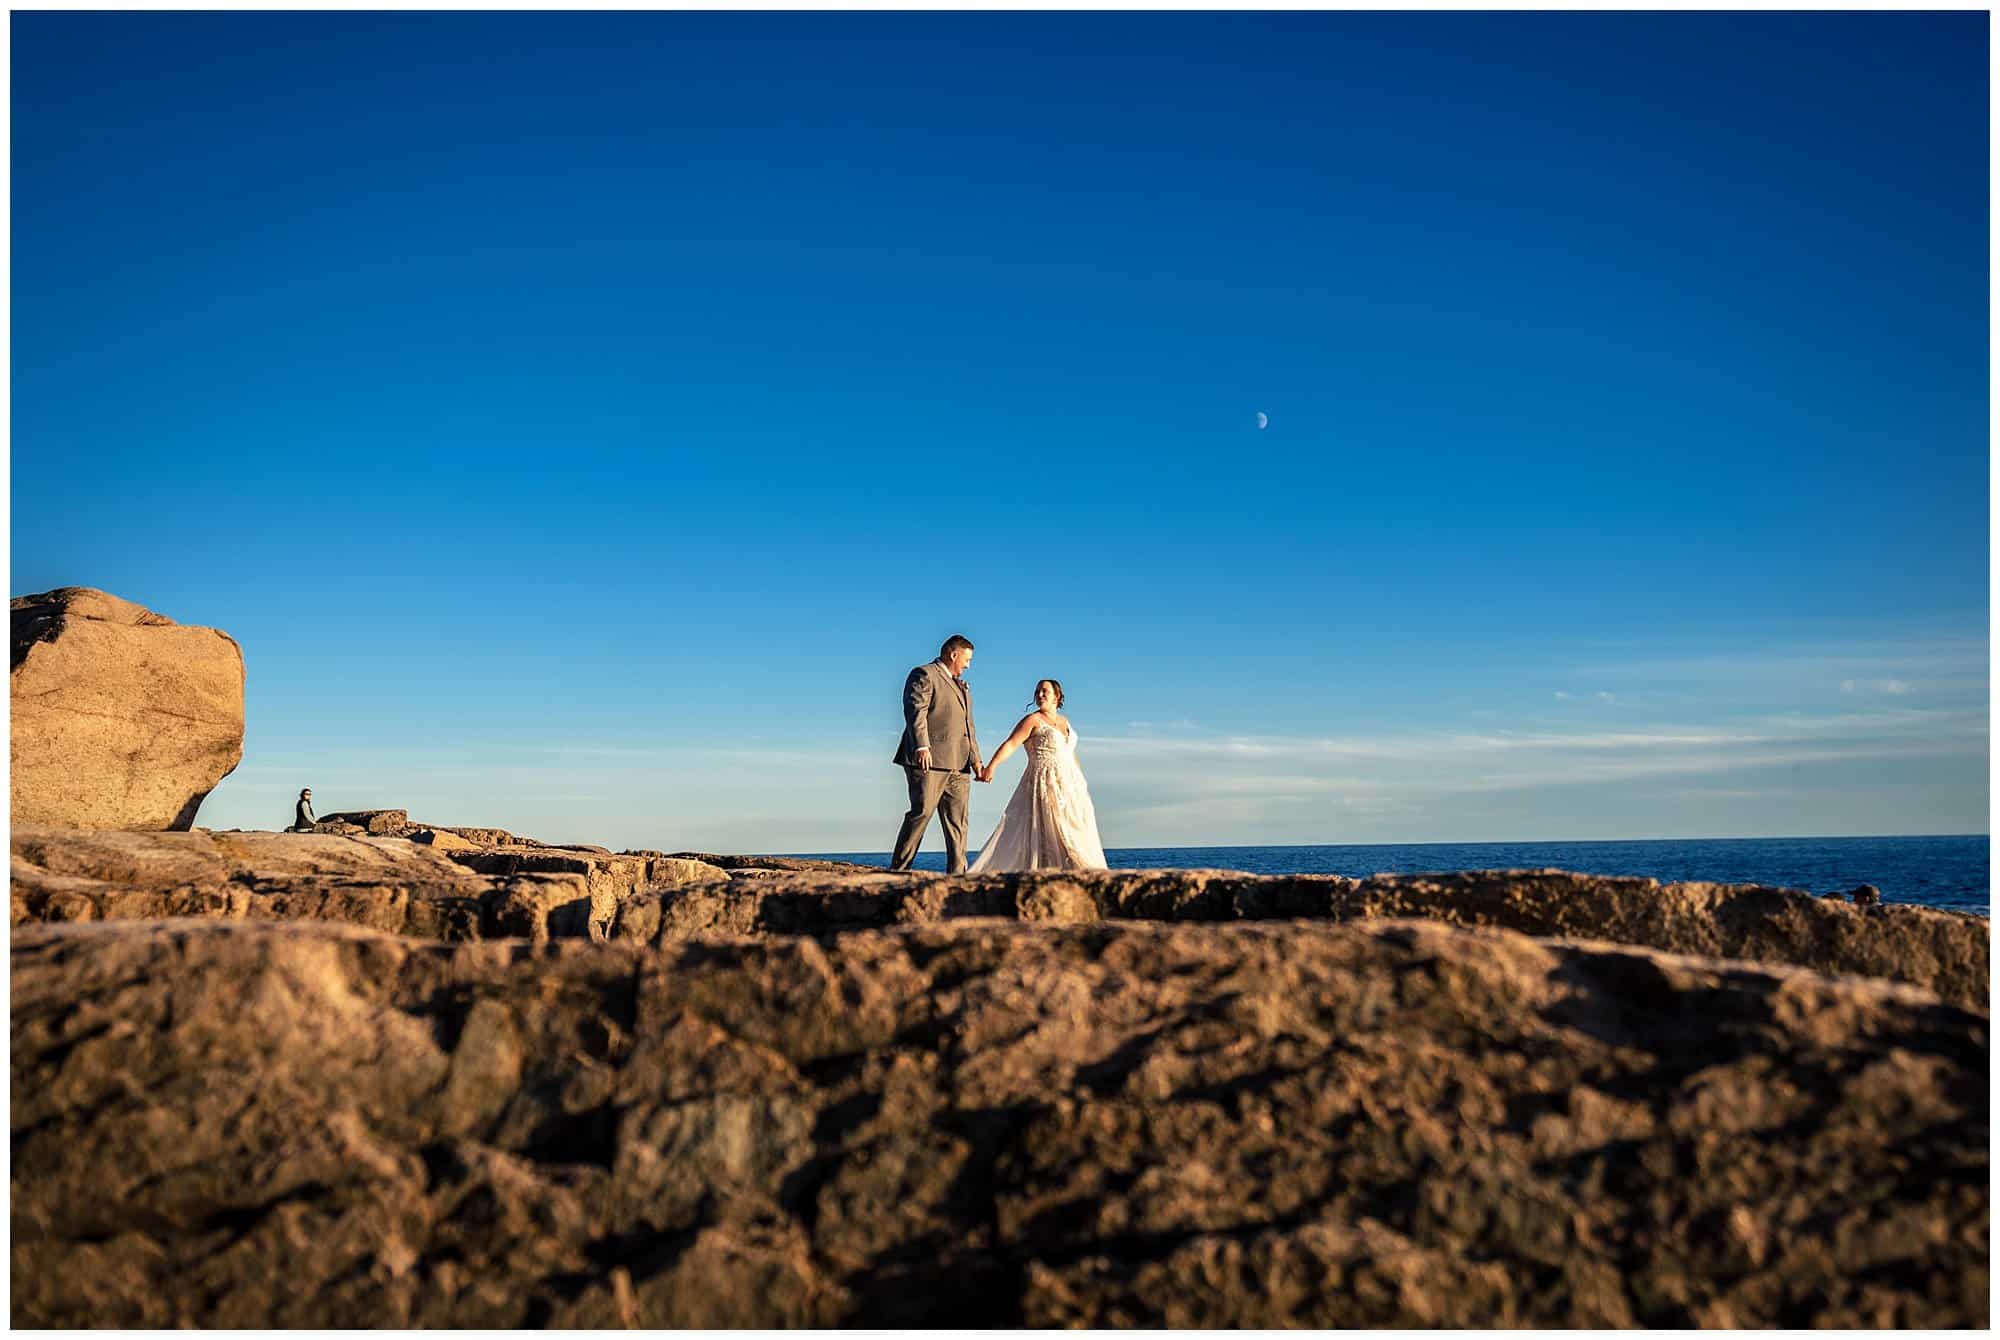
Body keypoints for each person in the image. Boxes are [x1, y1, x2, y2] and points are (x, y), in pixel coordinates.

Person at [968, 678, 1107, 872]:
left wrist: (1081, 782)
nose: (1039, 695)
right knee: (1050, 830)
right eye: (1037, 692)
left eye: (1044, 691)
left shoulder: (1065, 721)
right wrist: (992, 766)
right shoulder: (1033, 720)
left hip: (1071, 785)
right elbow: (1011, 743)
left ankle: (1076, 873)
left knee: (1075, 831)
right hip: (1044, 781)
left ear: (1056, 696)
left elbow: (1070, 753)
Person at [889, 635, 987, 873]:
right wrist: (922, 746)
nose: (968, 665)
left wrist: (976, 761)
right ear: (954, 655)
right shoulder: (924, 674)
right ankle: (899, 871)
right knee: (922, 812)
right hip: (929, 760)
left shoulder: (962, 686)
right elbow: (916, 712)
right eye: (967, 659)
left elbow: (968, 726)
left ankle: (957, 875)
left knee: (958, 823)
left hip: (959, 763)